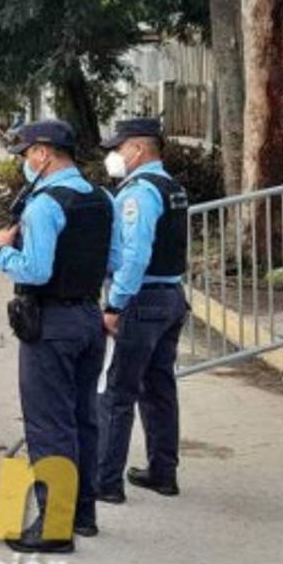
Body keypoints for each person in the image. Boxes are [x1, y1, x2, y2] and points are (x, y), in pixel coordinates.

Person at [0, 119, 114, 554]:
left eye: (27, 155)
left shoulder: (44, 205)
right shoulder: (102, 198)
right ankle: (83, 514)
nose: (25, 163)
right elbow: (115, 259)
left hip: (51, 324)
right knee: (83, 419)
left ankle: (54, 527)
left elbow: (36, 270)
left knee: (49, 425)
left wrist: (3, 251)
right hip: (89, 318)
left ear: (43, 154)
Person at [95, 118, 189, 504]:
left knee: (117, 391)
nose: (114, 156)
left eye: (118, 149)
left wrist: (115, 304)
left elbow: (134, 256)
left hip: (142, 300)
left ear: (137, 149)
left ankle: (105, 482)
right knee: (159, 388)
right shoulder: (172, 187)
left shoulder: (139, 193)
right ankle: (163, 472)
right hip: (171, 296)